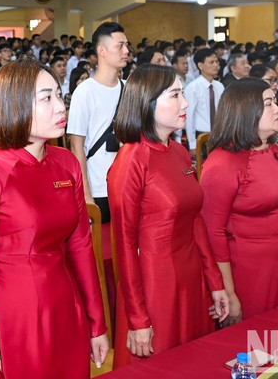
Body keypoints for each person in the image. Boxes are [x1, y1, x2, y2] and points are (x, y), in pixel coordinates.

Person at [0, 58, 109, 379]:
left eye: (59, 95)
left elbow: (81, 247)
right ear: (15, 106)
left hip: (66, 309)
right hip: (15, 318)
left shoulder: (66, 163)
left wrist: (97, 324)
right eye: (47, 98)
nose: (60, 106)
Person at [108, 65, 228, 365]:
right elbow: (124, 244)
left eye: (183, 94)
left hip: (191, 279)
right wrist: (137, 317)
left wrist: (215, 282)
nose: (185, 103)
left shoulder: (177, 151)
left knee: (193, 362)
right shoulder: (131, 159)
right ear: (147, 103)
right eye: (175, 95)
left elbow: (195, 221)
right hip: (155, 284)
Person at [201, 78, 278, 324]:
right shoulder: (222, 164)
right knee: (257, 345)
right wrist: (228, 292)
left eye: (275, 102)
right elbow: (212, 233)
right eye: (269, 103)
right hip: (250, 273)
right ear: (245, 111)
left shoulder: (273, 154)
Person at [67, 22, 129, 222]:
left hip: (128, 184)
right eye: (120, 46)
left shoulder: (129, 89)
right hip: (98, 185)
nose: (126, 51)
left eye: (127, 45)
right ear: (101, 50)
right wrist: (86, 195)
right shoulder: (85, 92)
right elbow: (77, 148)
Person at [183, 48, 223, 156]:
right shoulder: (192, 88)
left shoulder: (219, 86)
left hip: (218, 135)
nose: (216, 65)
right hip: (201, 136)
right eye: (211, 62)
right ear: (200, 66)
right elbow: (189, 117)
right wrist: (192, 144)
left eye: (217, 62)